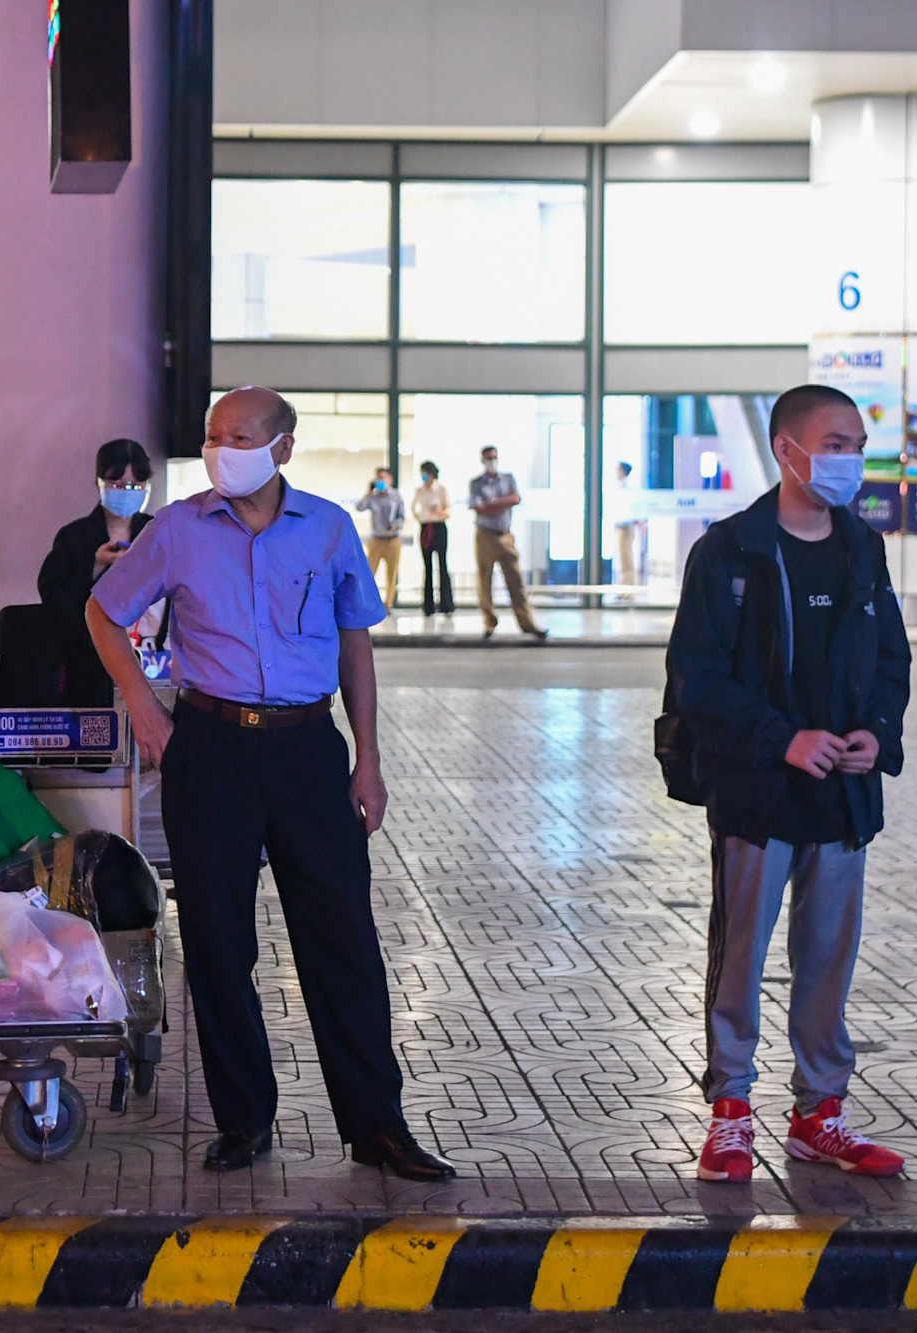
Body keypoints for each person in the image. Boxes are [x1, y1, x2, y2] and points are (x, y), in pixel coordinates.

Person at [85, 385, 456, 1182]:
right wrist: (145, 710)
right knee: (219, 945)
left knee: (343, 941)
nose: (223, 448)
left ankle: (376, 1126)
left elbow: (356, 643)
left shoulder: (327, 528)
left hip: (307, 751)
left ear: (283, 445)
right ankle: (244, 1119)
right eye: (214, 434)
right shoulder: (180, 527)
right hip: (210, 748)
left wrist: (369, 757)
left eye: (241, 435)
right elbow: (103, 612)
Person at [666, 383, 910, 1183]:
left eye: (857, 444)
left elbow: (888, 659)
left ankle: (819, 1114)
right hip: (758, 796)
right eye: (835, 442)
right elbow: (695, 678)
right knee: (740, 955)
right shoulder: (731, 549)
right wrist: (783, 740)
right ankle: (730, 1110)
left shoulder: (861, 548)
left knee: (829, 957)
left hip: (841, 796)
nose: (850, 458)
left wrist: (878, 731)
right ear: (788, 448)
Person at [37, 438, 156, 701]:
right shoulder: (74, 536)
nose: (127, 492)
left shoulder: (155, 530)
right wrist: (96, 566)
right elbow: (53, 596)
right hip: (87, 657)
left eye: (135, 485)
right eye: (117, 485)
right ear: (99, 482)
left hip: (150, 656)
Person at [468, 446, 546, 640]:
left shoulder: (507, 478)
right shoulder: (477, 483)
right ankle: (489, 623)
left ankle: (527, 623)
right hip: (485, 535)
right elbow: (479, 508)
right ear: (483, 460)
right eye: (488, 458)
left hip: (505, 535)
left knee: (516, 581)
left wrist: (493, 503)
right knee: (485, 580)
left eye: (494, 457)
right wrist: (503, 502)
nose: (492, 461)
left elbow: (515, 498)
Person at [354, 467, 405, 607]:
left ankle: (388, 603)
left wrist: (396, 526)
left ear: (390, 479)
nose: (380, 481)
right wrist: (368, 492)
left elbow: (401, 516)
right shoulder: (373, 497)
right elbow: (359, 507)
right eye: (378, 478)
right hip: (376, 539)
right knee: (369, 572)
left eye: (382, 478)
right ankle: (366, 602)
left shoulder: (396, 496)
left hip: (392, 539)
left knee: (391, 573)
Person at [412, 460, 454, 616]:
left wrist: (438, 512)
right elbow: (414, 507)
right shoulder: (420, 491)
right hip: (425, 528)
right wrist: (420, 516)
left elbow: (448, 511)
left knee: (442, 565)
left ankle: (446, 604)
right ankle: (428, 605)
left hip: (438, 527)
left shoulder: (441, 489)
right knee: (427, 567)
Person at [615, 460, 644, 597]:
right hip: (622, 525)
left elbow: (633, 508)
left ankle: (629, 590)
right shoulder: (621, 487)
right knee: (624, 558)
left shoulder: (628, 488)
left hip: (627, 526)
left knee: (627, 558)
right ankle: (624, 589)